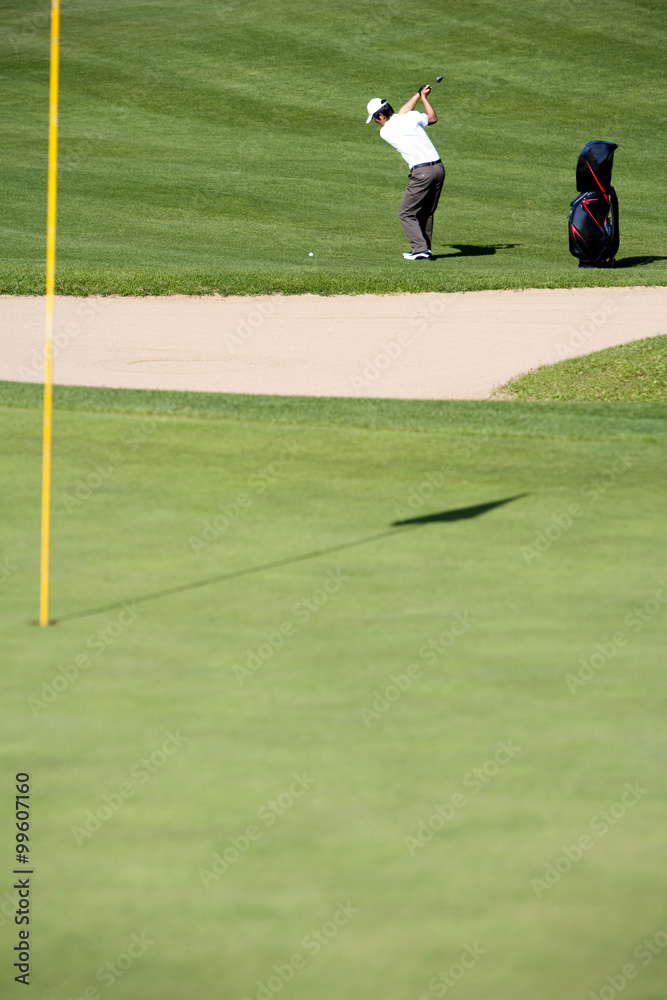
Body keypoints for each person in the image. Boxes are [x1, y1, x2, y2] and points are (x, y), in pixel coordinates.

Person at [366, 88, 444, 260]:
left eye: (375, 120)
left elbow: (401, 113)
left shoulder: (385, 132)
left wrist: (419, 95)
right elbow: (432, 118)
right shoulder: (411, 117)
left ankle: (420, 250)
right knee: (426, 212)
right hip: (439, 169)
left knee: (406, 213)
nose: (377, 123)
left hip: (422, 173)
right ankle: (425, 249)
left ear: (381, 117)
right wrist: (422, 97)